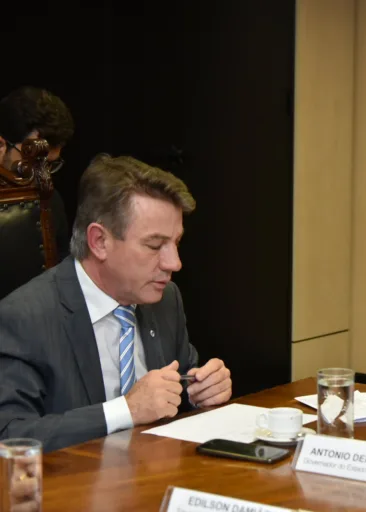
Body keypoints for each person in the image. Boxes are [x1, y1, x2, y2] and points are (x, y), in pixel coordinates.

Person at [0, 155, 232, 452]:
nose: (174, 262)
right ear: (99, 242)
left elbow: (179, 385)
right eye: (154, 245)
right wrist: (127, 410)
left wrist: (202, 390)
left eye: (176, 242)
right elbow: (10, 435)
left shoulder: (165, 299)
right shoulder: (24, 317)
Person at [0, 86, 74, 262]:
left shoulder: (50, 200)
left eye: (50, 164)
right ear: (2, 145)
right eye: (33, 161)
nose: (43, 175)